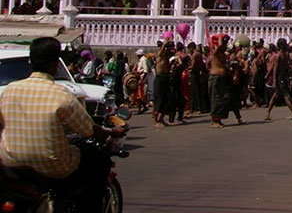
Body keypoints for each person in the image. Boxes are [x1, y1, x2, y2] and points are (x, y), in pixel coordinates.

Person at [0, 37, 126, 210]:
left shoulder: (9, 91)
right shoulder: (61, 94)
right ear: (55, 64)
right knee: (97, 159)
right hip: (53, 166)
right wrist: (112, 132)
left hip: (11, 162)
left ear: (32, 61)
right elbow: (88, 130)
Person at [265, 38, 292, 121]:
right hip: (279, 77)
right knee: (287, 96)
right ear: (281, 45)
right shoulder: (278, 56)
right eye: (285, 44)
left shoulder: (286, 55)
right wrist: (274, 81)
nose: (287, 45)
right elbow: (275, 69)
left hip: (284, 76)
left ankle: (267, 113)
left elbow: (289, 67)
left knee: (276, 95)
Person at [208, 35, 234, 128]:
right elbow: (219, 47)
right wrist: (220, 39)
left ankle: (218, 119)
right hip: (215, 78)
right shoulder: (215, 53)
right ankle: (214, 121)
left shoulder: (223, 54)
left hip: (222, 78)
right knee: (215, 99)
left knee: (222, 99)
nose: (225, 45)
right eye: (224, 44)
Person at [153, 39, 174, 127]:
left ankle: (161, 119)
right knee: (158, 100)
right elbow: (160, 53)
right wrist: (164, 45)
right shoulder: (159, 55)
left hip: (166, 78)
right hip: (159, 79)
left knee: (167, 100)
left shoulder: (167, 57)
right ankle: (155, 120)